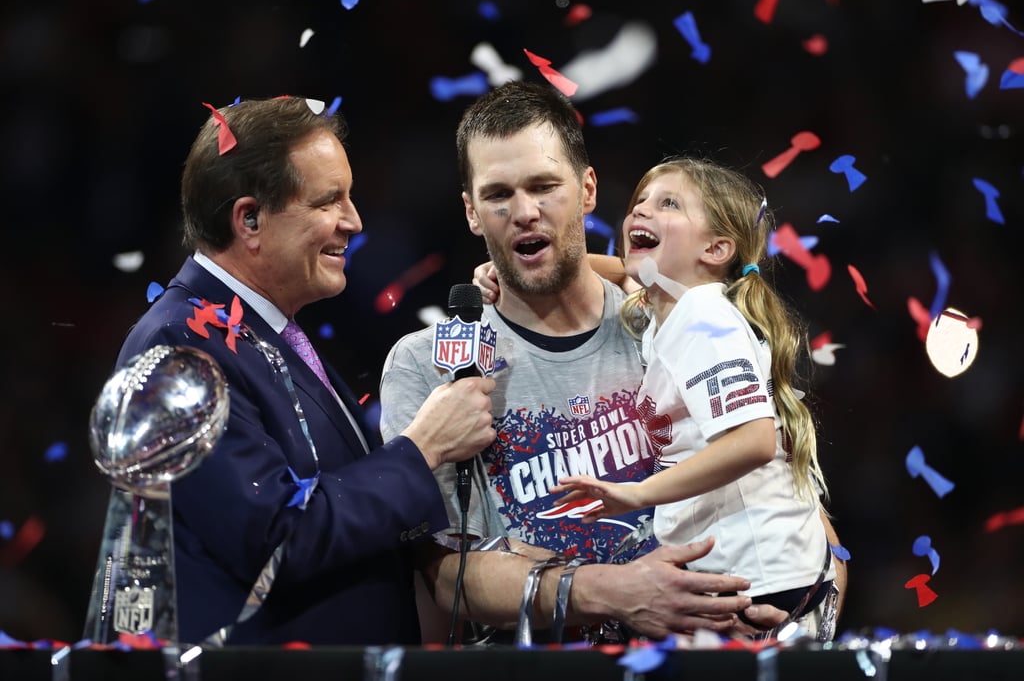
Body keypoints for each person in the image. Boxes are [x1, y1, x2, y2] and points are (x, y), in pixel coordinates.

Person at [379, 81, 813, 644]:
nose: (525, 212)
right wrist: (619, 591)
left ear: (587, 189)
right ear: (471, 212)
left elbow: (797, 508)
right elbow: (448, 578)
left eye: (544, 186)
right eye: (498, 195)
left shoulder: (670, 324)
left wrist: (808, 616)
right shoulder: (432, 364)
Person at [110, 96, 497, 646]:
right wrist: (422, 449)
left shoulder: (263, 332)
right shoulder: (179, 345)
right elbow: (274, 539)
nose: (354, 221)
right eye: (328, 201)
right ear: (249, 219)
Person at [551, 156, 836, 626]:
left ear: (717, 248)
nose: (640, 210)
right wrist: (517, 268)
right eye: (639, 200)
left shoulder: (702, 316)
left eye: (668, 203)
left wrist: (638, 494)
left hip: (761, 579)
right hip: (760, 572)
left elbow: (753, 440)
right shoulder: (674, 309)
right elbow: (623, 270)